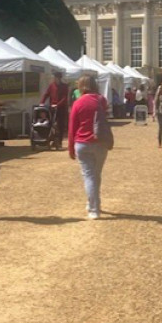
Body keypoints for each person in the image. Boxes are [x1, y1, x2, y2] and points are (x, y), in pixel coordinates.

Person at [67, 75, 109, 220]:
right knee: (96, 175)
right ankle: (95, 203)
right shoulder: (102, 100)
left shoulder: (78, 103)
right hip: (101, 142)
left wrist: (70, 148)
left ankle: (93, 208)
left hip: (82, 143)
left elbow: (72, 127)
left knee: (89, 176)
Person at [40, 71, 69, 147]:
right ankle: (50, 139)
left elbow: (64, 98)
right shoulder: (51, 86)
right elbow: (46, 94)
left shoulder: (64, 87)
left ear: (59, 78)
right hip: (52, 107)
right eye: (53, 77)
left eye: (55, 77)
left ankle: (59, 141)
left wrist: (57, 105)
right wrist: (42, 102)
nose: (54, 79)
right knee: (50, 123)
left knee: (60, 125)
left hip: (61, 108)